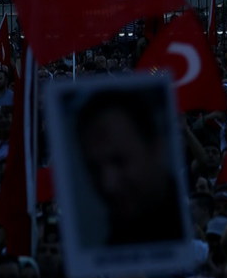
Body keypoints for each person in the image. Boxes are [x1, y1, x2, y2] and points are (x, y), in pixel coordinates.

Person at [72, 87, 184, 248]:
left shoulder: (183, 227)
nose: (108, 184)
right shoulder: (111, 241)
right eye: (94, 168)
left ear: (155, 148)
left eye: (119, 161)